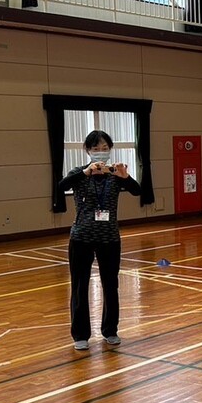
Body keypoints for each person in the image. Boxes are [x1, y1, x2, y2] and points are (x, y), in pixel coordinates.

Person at [59, 130, 141, 350]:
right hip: (81, 237)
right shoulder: (79, 173)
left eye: (105, 148)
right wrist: (86, 172)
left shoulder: (115, 174)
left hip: (109, 238)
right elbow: (61, 186)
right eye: (96, 149)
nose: (101, 153)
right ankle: (80, 335)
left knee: (110, 284)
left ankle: (110, 330)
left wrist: (126, 177)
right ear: (88, 151)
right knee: (79, 286)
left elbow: (138, 191)